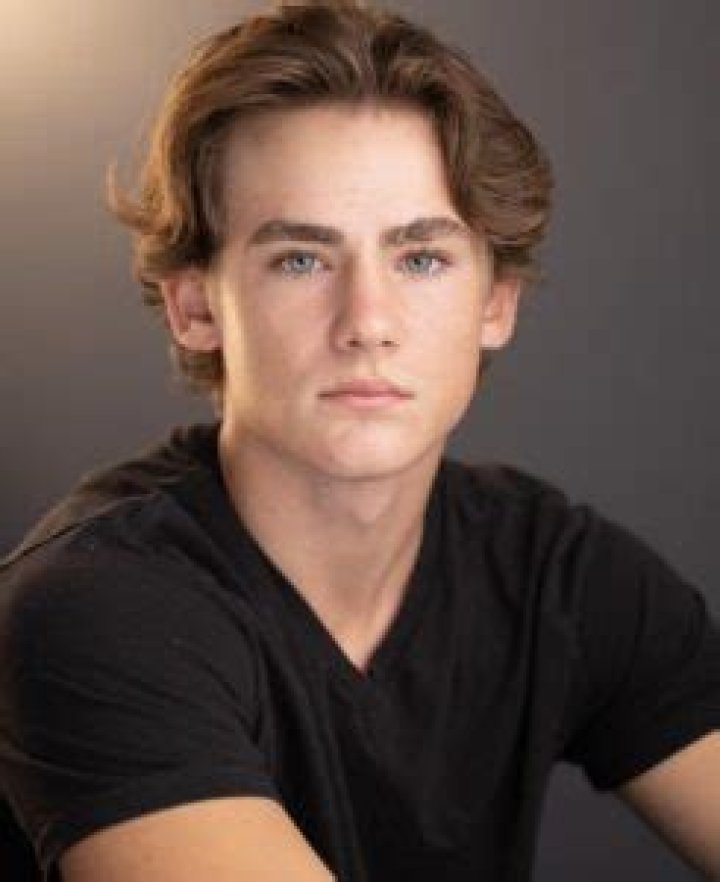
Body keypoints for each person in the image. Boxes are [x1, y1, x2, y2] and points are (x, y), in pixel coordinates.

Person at [1, 1, 719, 880]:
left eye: (421, 258)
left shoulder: (555, 575)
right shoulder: (94, 607)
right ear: (196, 306)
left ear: (496, 303)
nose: (367, 321)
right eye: (301, 259)